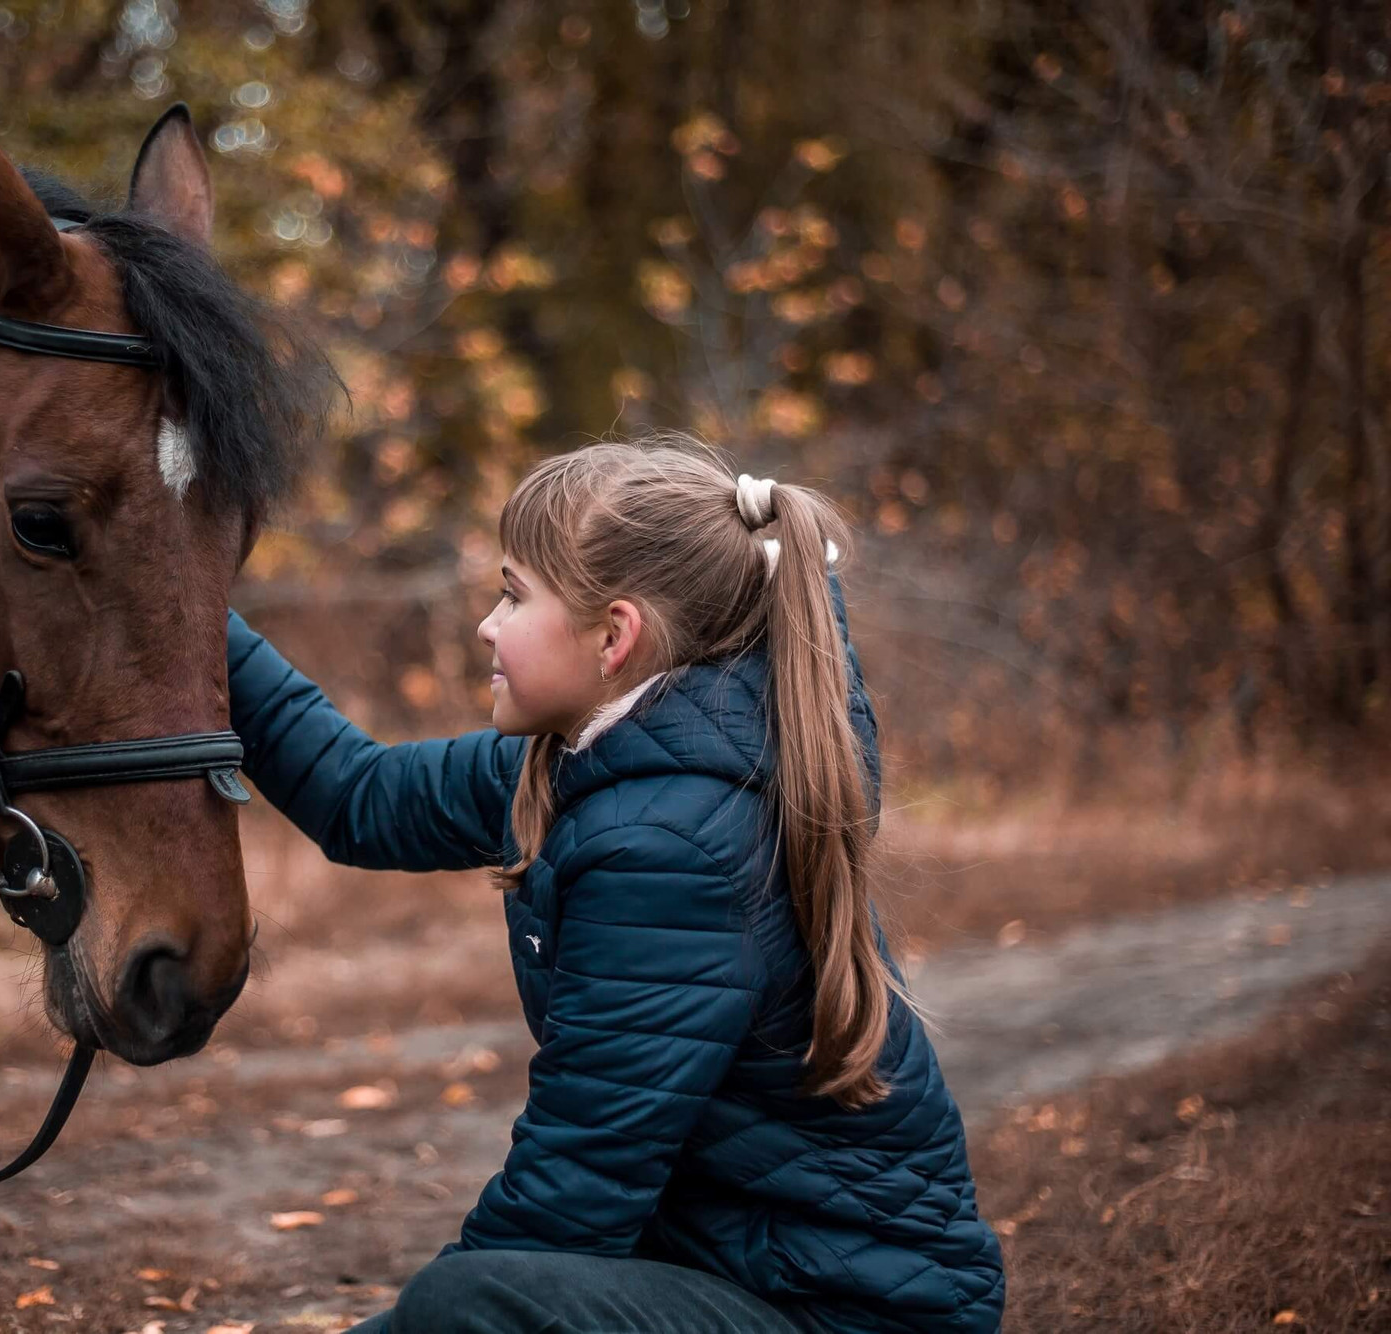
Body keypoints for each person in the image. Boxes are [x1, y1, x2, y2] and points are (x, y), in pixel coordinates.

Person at [226, 438, 1005, 1333]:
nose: (486, 623)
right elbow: (357, 796)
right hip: (730, 1275)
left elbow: (571, 1203)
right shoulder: (584, 763)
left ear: (614, 637)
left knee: (467, 1306)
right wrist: (185, 606)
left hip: (841, 1316)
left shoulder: (670, 846)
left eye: (513, 596)